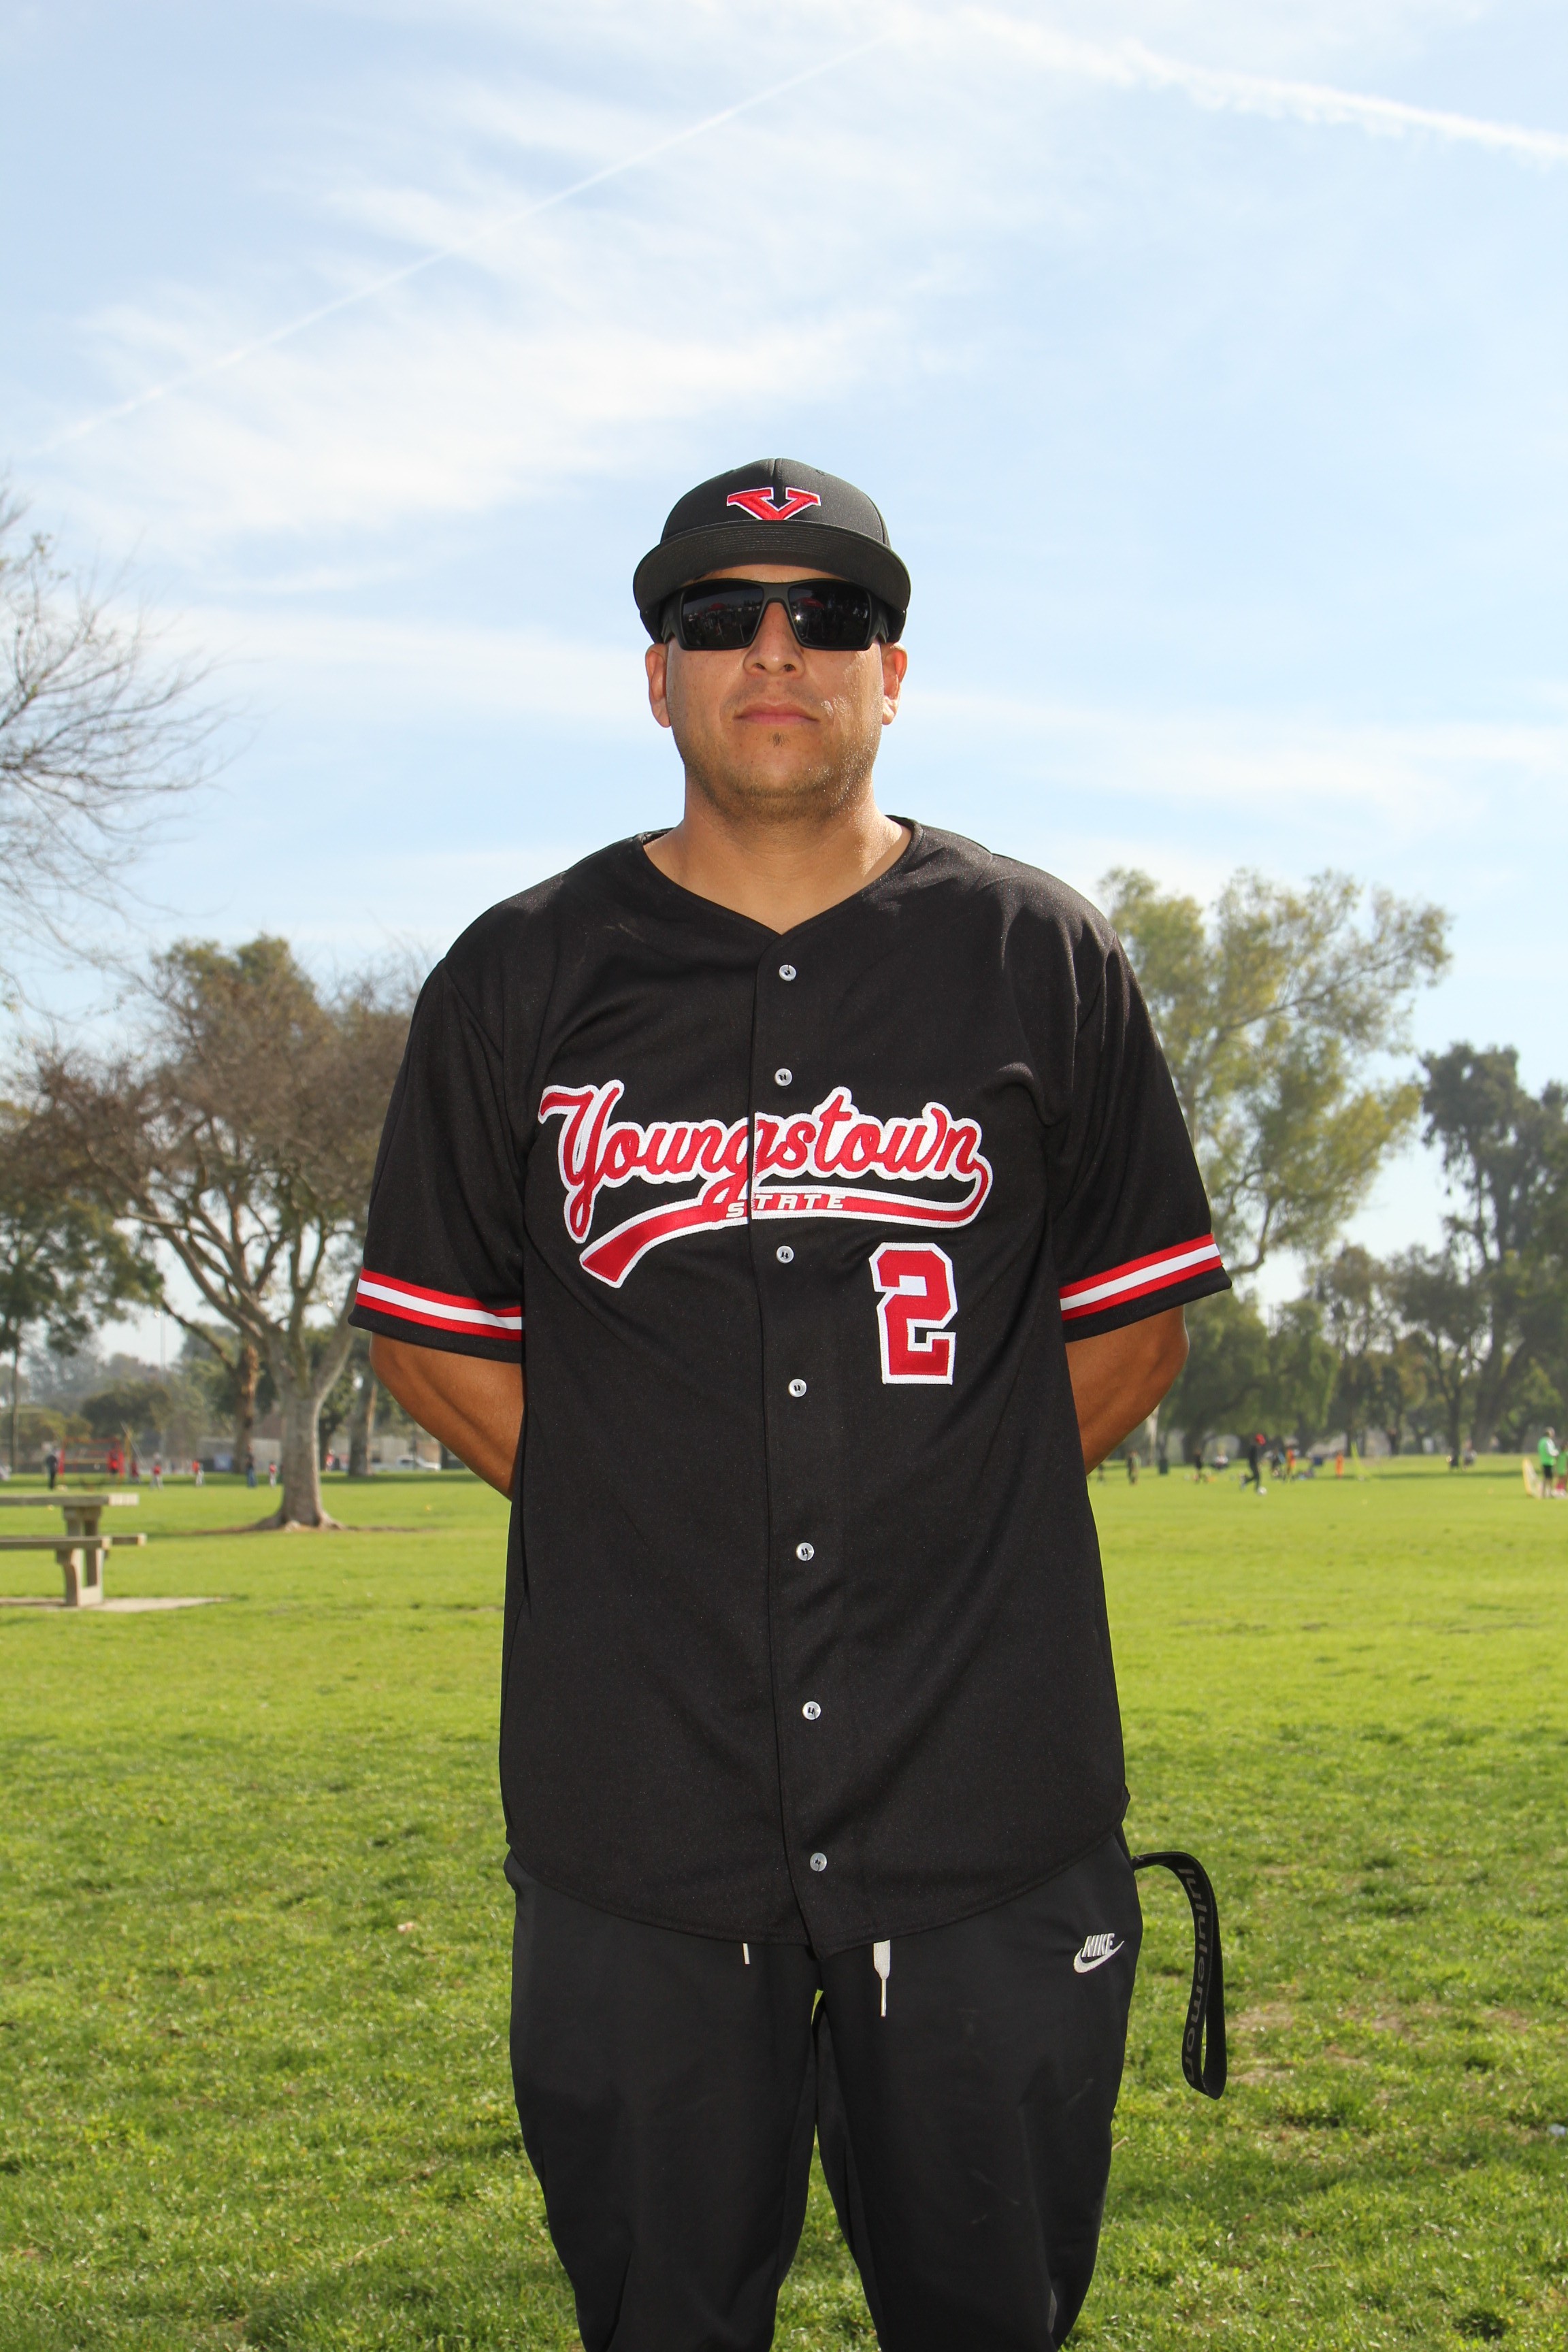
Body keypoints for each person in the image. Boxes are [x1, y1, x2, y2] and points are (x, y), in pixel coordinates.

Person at [355, 459, 1232, 2352]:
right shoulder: (517, 974)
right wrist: (663, 1519)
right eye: (720, 617)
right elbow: (432, 1340)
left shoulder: (1041, 955)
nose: (775, 650)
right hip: (638, 1803)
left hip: (985, 1788)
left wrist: (942, 1509)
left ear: (890, 673)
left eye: (827, 615)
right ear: (656, 674)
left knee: (993, 2317)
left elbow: (1133, 1333)